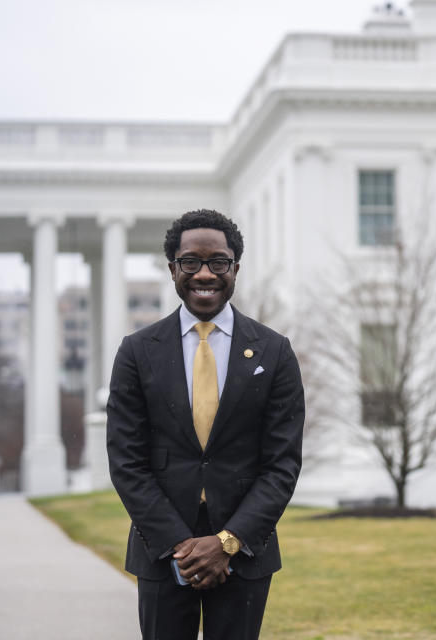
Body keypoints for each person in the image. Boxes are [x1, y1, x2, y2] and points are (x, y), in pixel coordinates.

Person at [107, 209, 304, 640]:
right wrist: (181, 545)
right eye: (191, 262)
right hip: (162, 551)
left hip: (245, 552)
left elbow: (282, 465)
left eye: (218, 262)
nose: (205, 274)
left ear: (235, 268)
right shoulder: (137, 353)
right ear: (173, 269)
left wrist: (227, 542)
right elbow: (126, 461)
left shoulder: (274, 352)